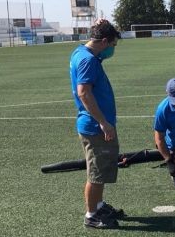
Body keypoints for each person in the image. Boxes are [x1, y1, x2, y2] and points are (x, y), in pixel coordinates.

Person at [69, 18, 124, 229]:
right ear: (103, 41)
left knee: (100, 170)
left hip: (95, 124)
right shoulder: (88, 60)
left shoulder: (81, 52)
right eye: (112, 45)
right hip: (94, 126)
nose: (112, 50)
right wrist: (103, 122)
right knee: (96, 173)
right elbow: (84, 92)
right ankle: (92, 215)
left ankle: (99, 205)